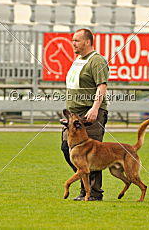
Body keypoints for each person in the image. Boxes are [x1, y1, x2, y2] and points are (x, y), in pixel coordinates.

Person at [61, 28, 109, 201]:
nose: (73, 43)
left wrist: (95, 108)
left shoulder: (97, 60)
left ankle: (94, 193)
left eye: (76, 40)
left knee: (92, 154)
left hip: (89, 115)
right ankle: (85, 186)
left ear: (87, 42)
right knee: (67, 148)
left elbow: (101, 86)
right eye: (73, 40)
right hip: (74, 114)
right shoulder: (78, 59)